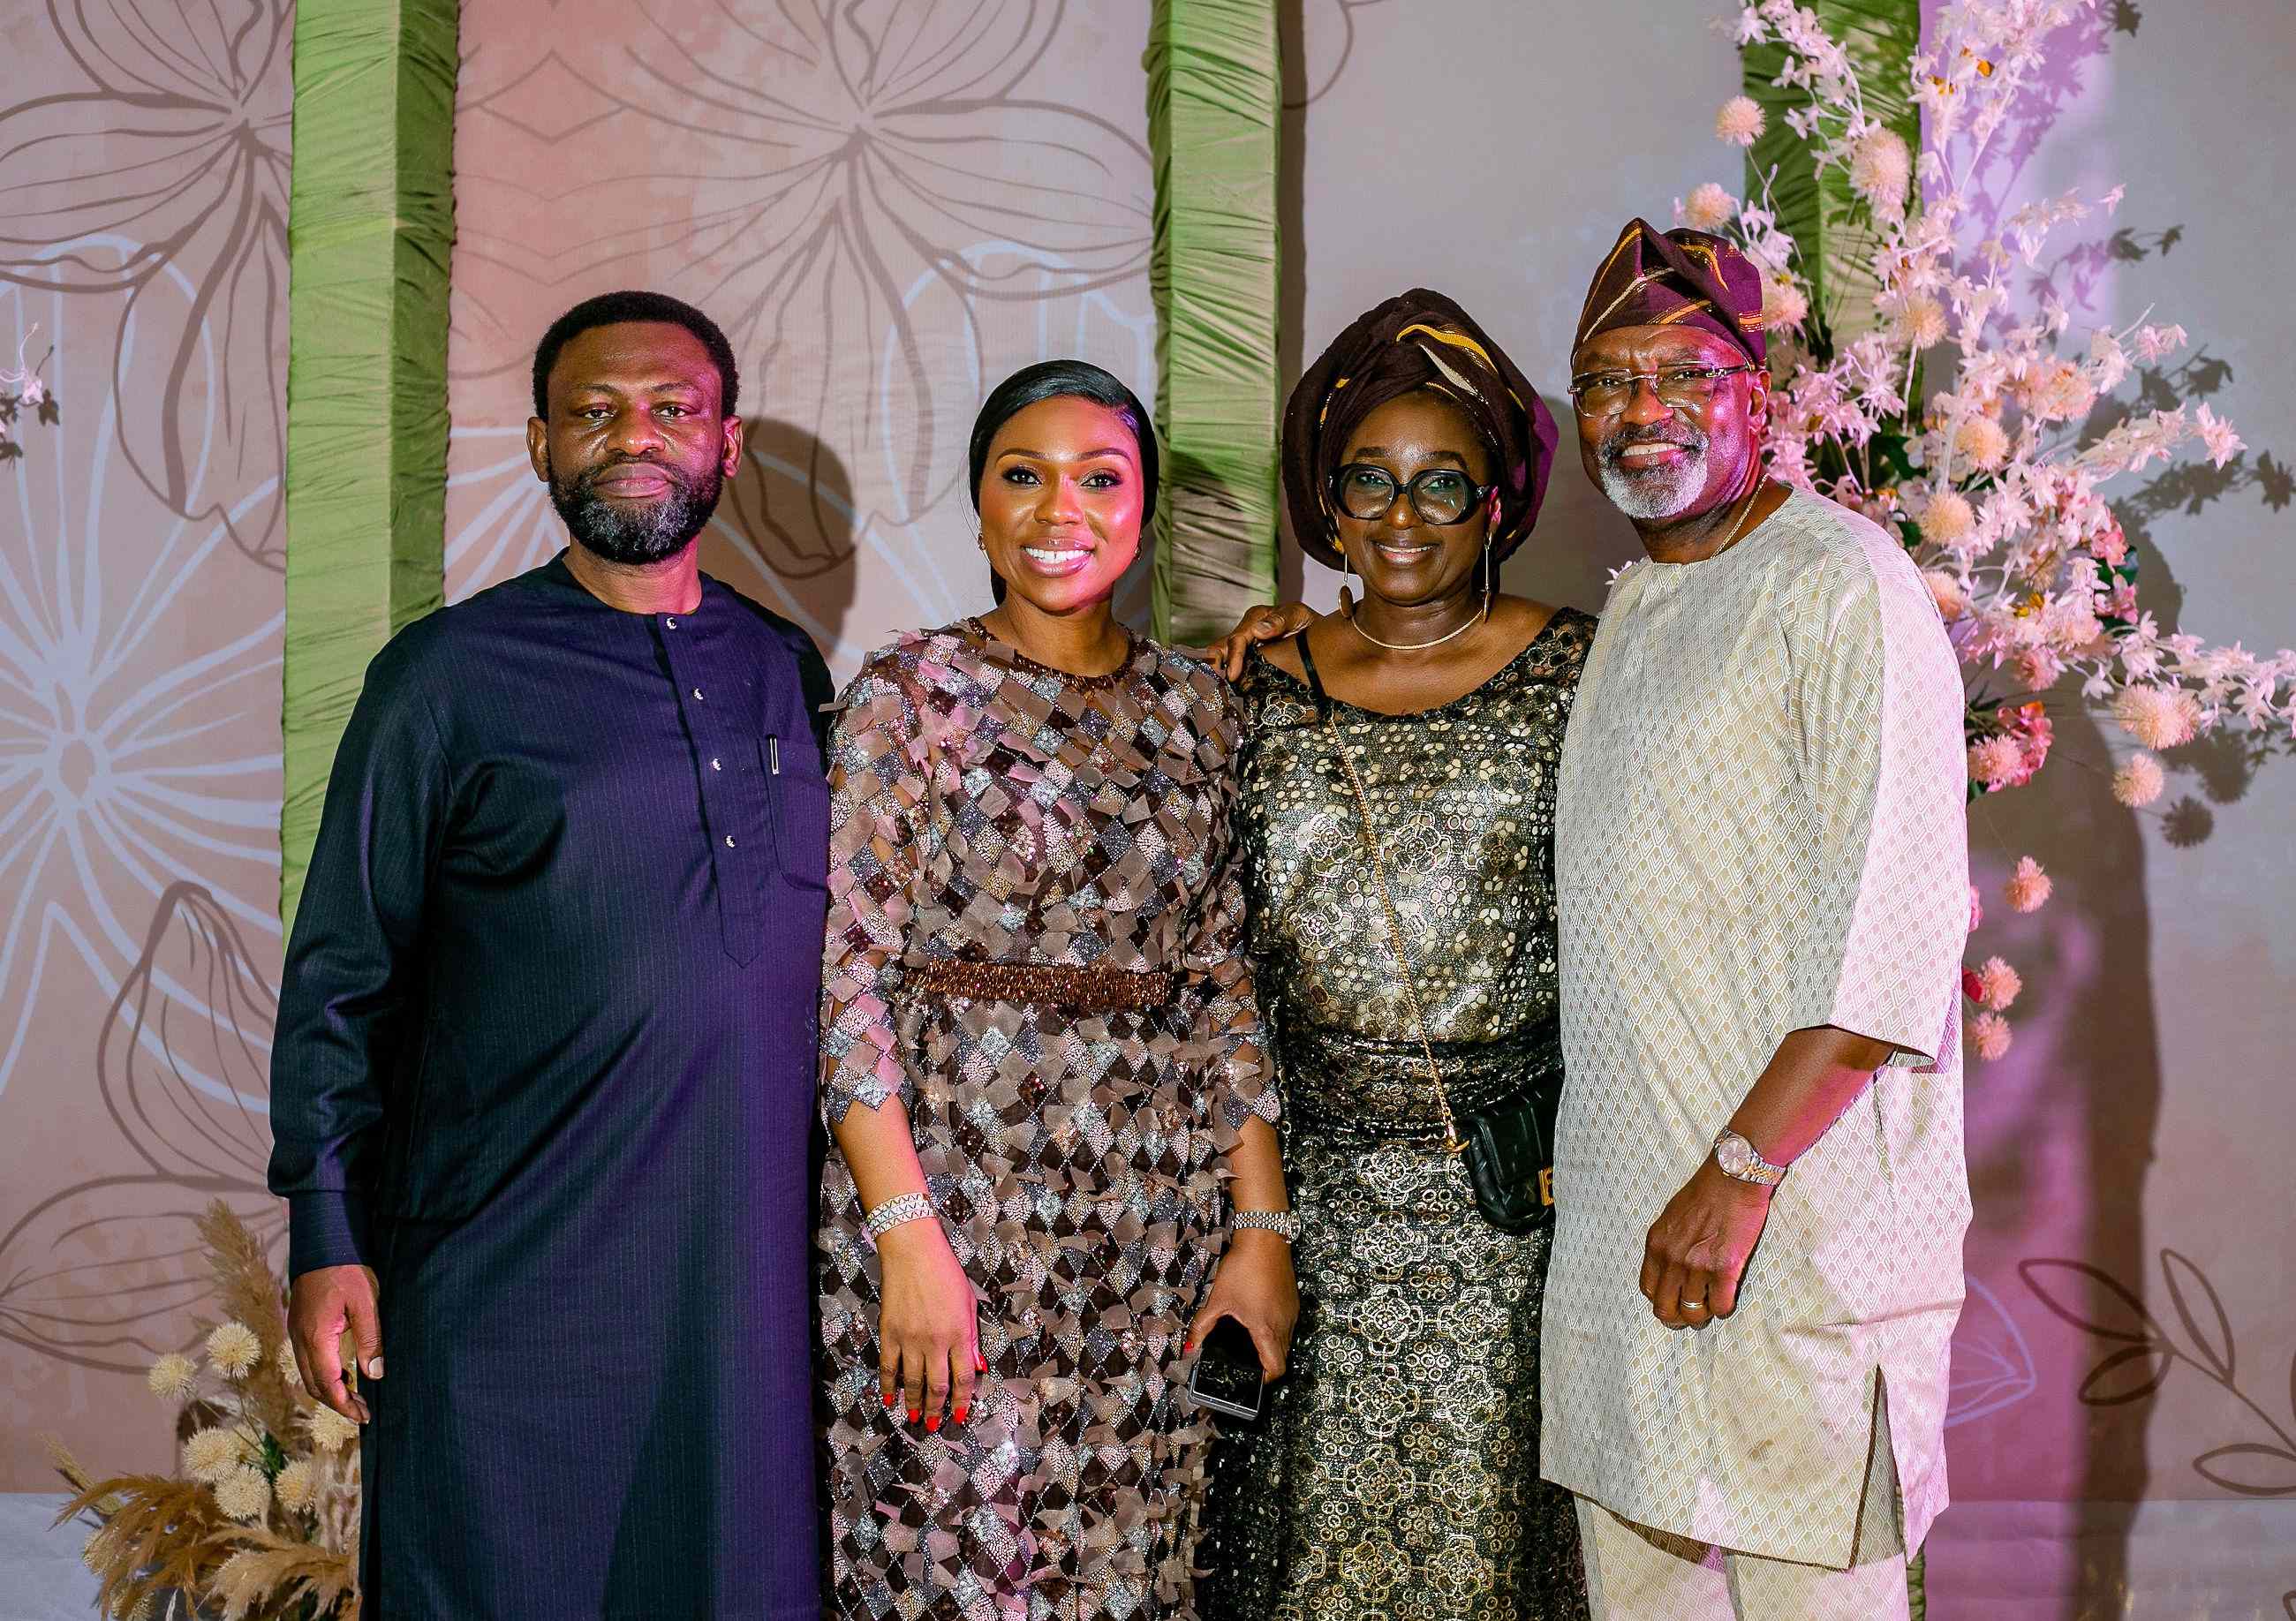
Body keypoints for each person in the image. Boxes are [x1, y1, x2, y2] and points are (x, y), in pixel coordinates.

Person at [268, 290, 833, 1618]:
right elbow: (342, 973)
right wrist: (327, 1230)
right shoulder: (444, 678)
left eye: (673, 409)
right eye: (594, 411)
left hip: (736, 1292)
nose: (634, 436)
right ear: (539, 445)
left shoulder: (785, 669)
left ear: (727, 444)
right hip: (503, 1286)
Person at [814, 360, 1295, 1619]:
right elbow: (847, 987)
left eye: (1101, 478)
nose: (1058, 510)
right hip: (949, 1218)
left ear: (1143, 511)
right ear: (978, 507)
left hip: (1150, 1240)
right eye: (1022, 475)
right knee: (952, 1569)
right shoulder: (908, 697)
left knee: (1131, 1578)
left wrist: (1260, 1234)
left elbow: (1221, 984)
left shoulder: (1201, 709)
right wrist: (904, 1238)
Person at [1539, 220, 1971, 1618]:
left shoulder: (1842, 584)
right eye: (1608, 381)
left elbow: (1896, 933)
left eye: (1684, 373)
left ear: (1759, 399)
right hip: (1630, 1232)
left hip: (1790, 1222)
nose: (1642, 408)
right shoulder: (1641, 603)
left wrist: (1737, 1173)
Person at [1199, 291, 1590, 1621]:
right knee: (1307, 1559)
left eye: (1442, 483)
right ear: (1328, 499)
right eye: (1370, 480)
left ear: (1497, 501)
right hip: (1306, 1205)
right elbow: (1215, 961)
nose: (1403, 515)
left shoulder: (1581, 671)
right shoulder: (1252, 685)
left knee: (1494, 1553)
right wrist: (1257, 1216)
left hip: (1517, 1206)